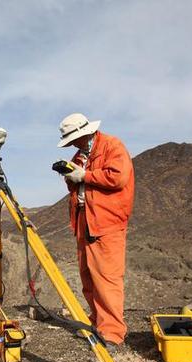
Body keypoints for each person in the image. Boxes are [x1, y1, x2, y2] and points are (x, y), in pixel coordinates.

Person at [57, 113, 135, 347]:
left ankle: (112, 333)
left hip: (106, 222)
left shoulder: (112, 146)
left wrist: (85, 175)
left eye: (74, 138)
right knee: (88, 276)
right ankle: (98, 322)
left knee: (107, 278)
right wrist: (71, 175)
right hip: (84, 219)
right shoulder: (79, 156)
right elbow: (77, 183)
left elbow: (117, 178)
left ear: (84, 132)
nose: (72, 143)